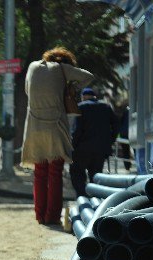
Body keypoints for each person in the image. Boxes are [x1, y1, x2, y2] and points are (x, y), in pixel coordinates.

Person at [22, 47, 94, 224]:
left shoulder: (32, 66)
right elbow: (88, 76)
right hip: (55, 126)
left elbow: (27, 90)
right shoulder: (63, 68)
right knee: (55, 173)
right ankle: (52, 216)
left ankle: (40, 216)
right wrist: (70, 87)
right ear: (65, 61)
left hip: (34, 126)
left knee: (39, 173)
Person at [69, 88, 119, 197]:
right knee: (96, 175)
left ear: (83, 96)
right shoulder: (106, 107)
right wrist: (110, 140)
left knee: (77, 174)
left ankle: (82, 197)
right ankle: (95, 199)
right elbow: (115, 126)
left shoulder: (81, 107)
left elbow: (77, 130)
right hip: (100, 150)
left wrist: (73, 146)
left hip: (82, 149)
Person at [118, 105, 132, 171]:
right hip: (132, 132)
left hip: (124, 133)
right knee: (136, 149)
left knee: (125, 151)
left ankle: (127, 166)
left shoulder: (125, 111)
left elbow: (120, 121)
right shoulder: (132, 110)